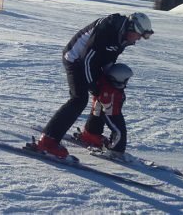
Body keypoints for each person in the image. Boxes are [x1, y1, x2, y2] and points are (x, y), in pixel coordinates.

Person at [36, 12, 153, 158]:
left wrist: (108, 82)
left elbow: (109, 57)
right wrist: (94, 86)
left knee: (106, 91)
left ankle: (91, 133)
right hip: (75, 59)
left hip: (92, 62)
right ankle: (48, 140)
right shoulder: (107, 30)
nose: (138, 39)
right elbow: (86, 60)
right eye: (138, 35)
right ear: (131, 27)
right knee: (79, 99)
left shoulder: (124, 37)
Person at [76, 63, 133, 153]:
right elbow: (107, 111)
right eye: (126, 80)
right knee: (119, 132)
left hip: (103, 110)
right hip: (110, 112)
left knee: (97, 116)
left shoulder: (106, 83)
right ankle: (116, 151)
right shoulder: (110, 92)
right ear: (118, 79)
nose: (127, 82)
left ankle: (91, 135)